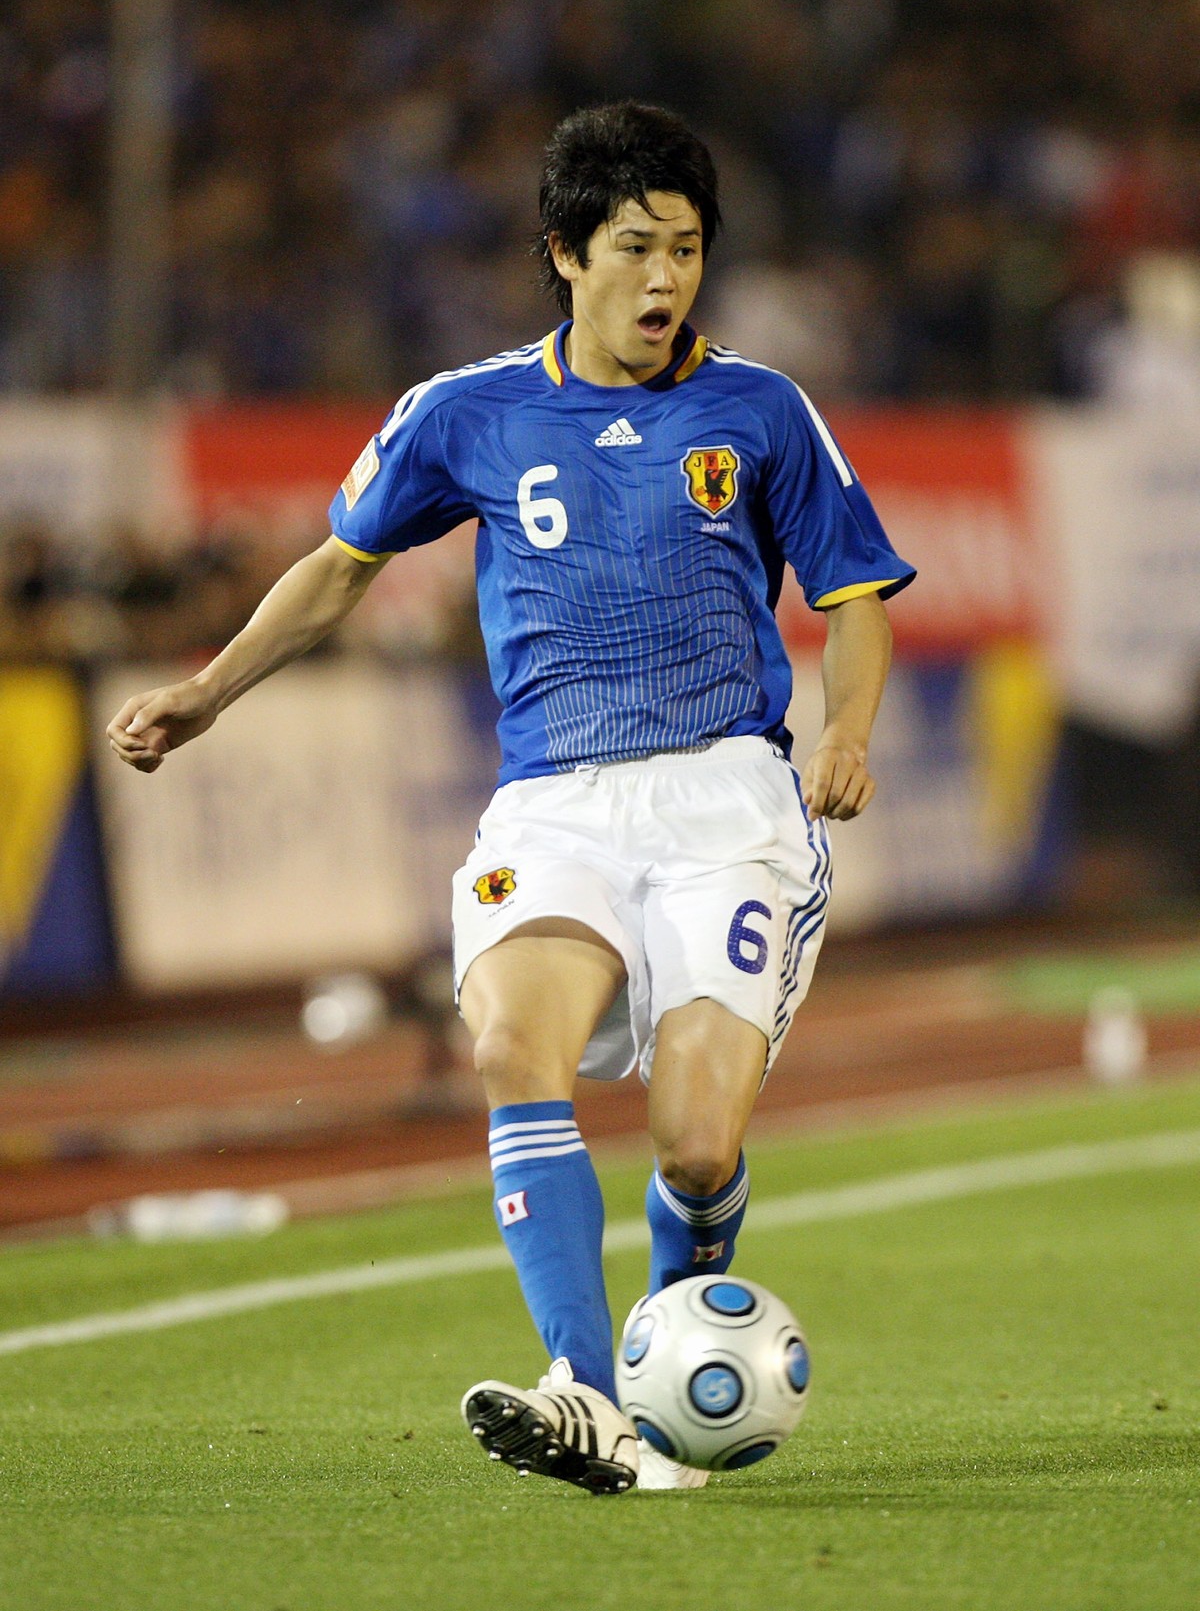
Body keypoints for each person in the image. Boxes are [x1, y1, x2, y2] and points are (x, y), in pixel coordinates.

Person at [107, 101, 914, 1497]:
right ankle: (589, 1392)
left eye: (687, 249)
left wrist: (846, 728)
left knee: (696, 1145)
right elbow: (340, 567)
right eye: (636, 248)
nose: (666, 279)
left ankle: (663, 1387)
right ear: (565, 253)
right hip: (554, 805)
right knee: (508, 1047)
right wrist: (208, 689)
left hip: (727, 802)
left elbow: (855, 599)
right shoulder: (463, 412)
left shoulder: (762, 409)